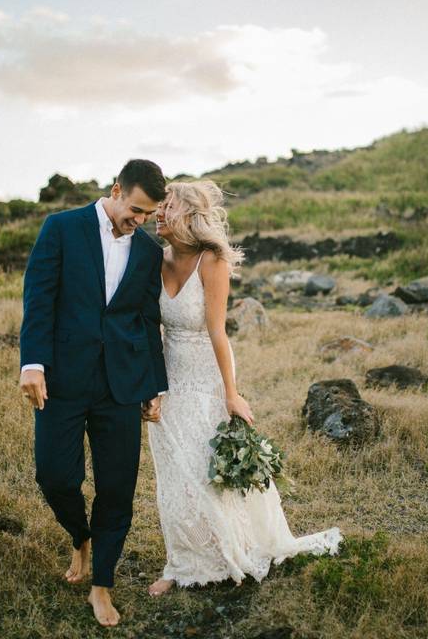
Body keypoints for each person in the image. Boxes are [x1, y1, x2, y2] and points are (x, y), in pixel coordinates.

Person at [146, 179, 341, 597]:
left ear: (190, 213)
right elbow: (151, 327)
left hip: (207, 372)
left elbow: (218, 331)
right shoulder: (155, 259)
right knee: (173, 471)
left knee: (205, 465)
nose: (158, 212)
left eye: (167, 205)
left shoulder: (211, 260)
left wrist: (231, 394)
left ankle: (229, 549)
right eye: (158, 205)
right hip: (168, 374)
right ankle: (180, 563)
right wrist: (151, 384)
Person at [18, 158, 168, 627]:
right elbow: (39, 297)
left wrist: (152, 384)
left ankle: (101, 583)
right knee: (55, 476)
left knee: (117, 486)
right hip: (62, 378)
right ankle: (80, 537)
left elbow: (147, 319)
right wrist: (32, 363)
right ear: (117, 189)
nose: (139, 221)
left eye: (147, 215)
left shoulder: (147, 250)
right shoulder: (61, 228)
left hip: (121, 384)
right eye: (136, 210)